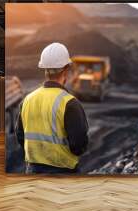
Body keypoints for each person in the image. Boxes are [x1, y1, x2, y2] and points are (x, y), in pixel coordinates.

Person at [15, 42, 89, 174]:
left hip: (32, 170)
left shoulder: (27, 100)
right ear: (66, 70)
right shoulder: (70, 103)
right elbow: (78, 145)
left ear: (45, 70)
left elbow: (20, 136)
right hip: (63, 173)